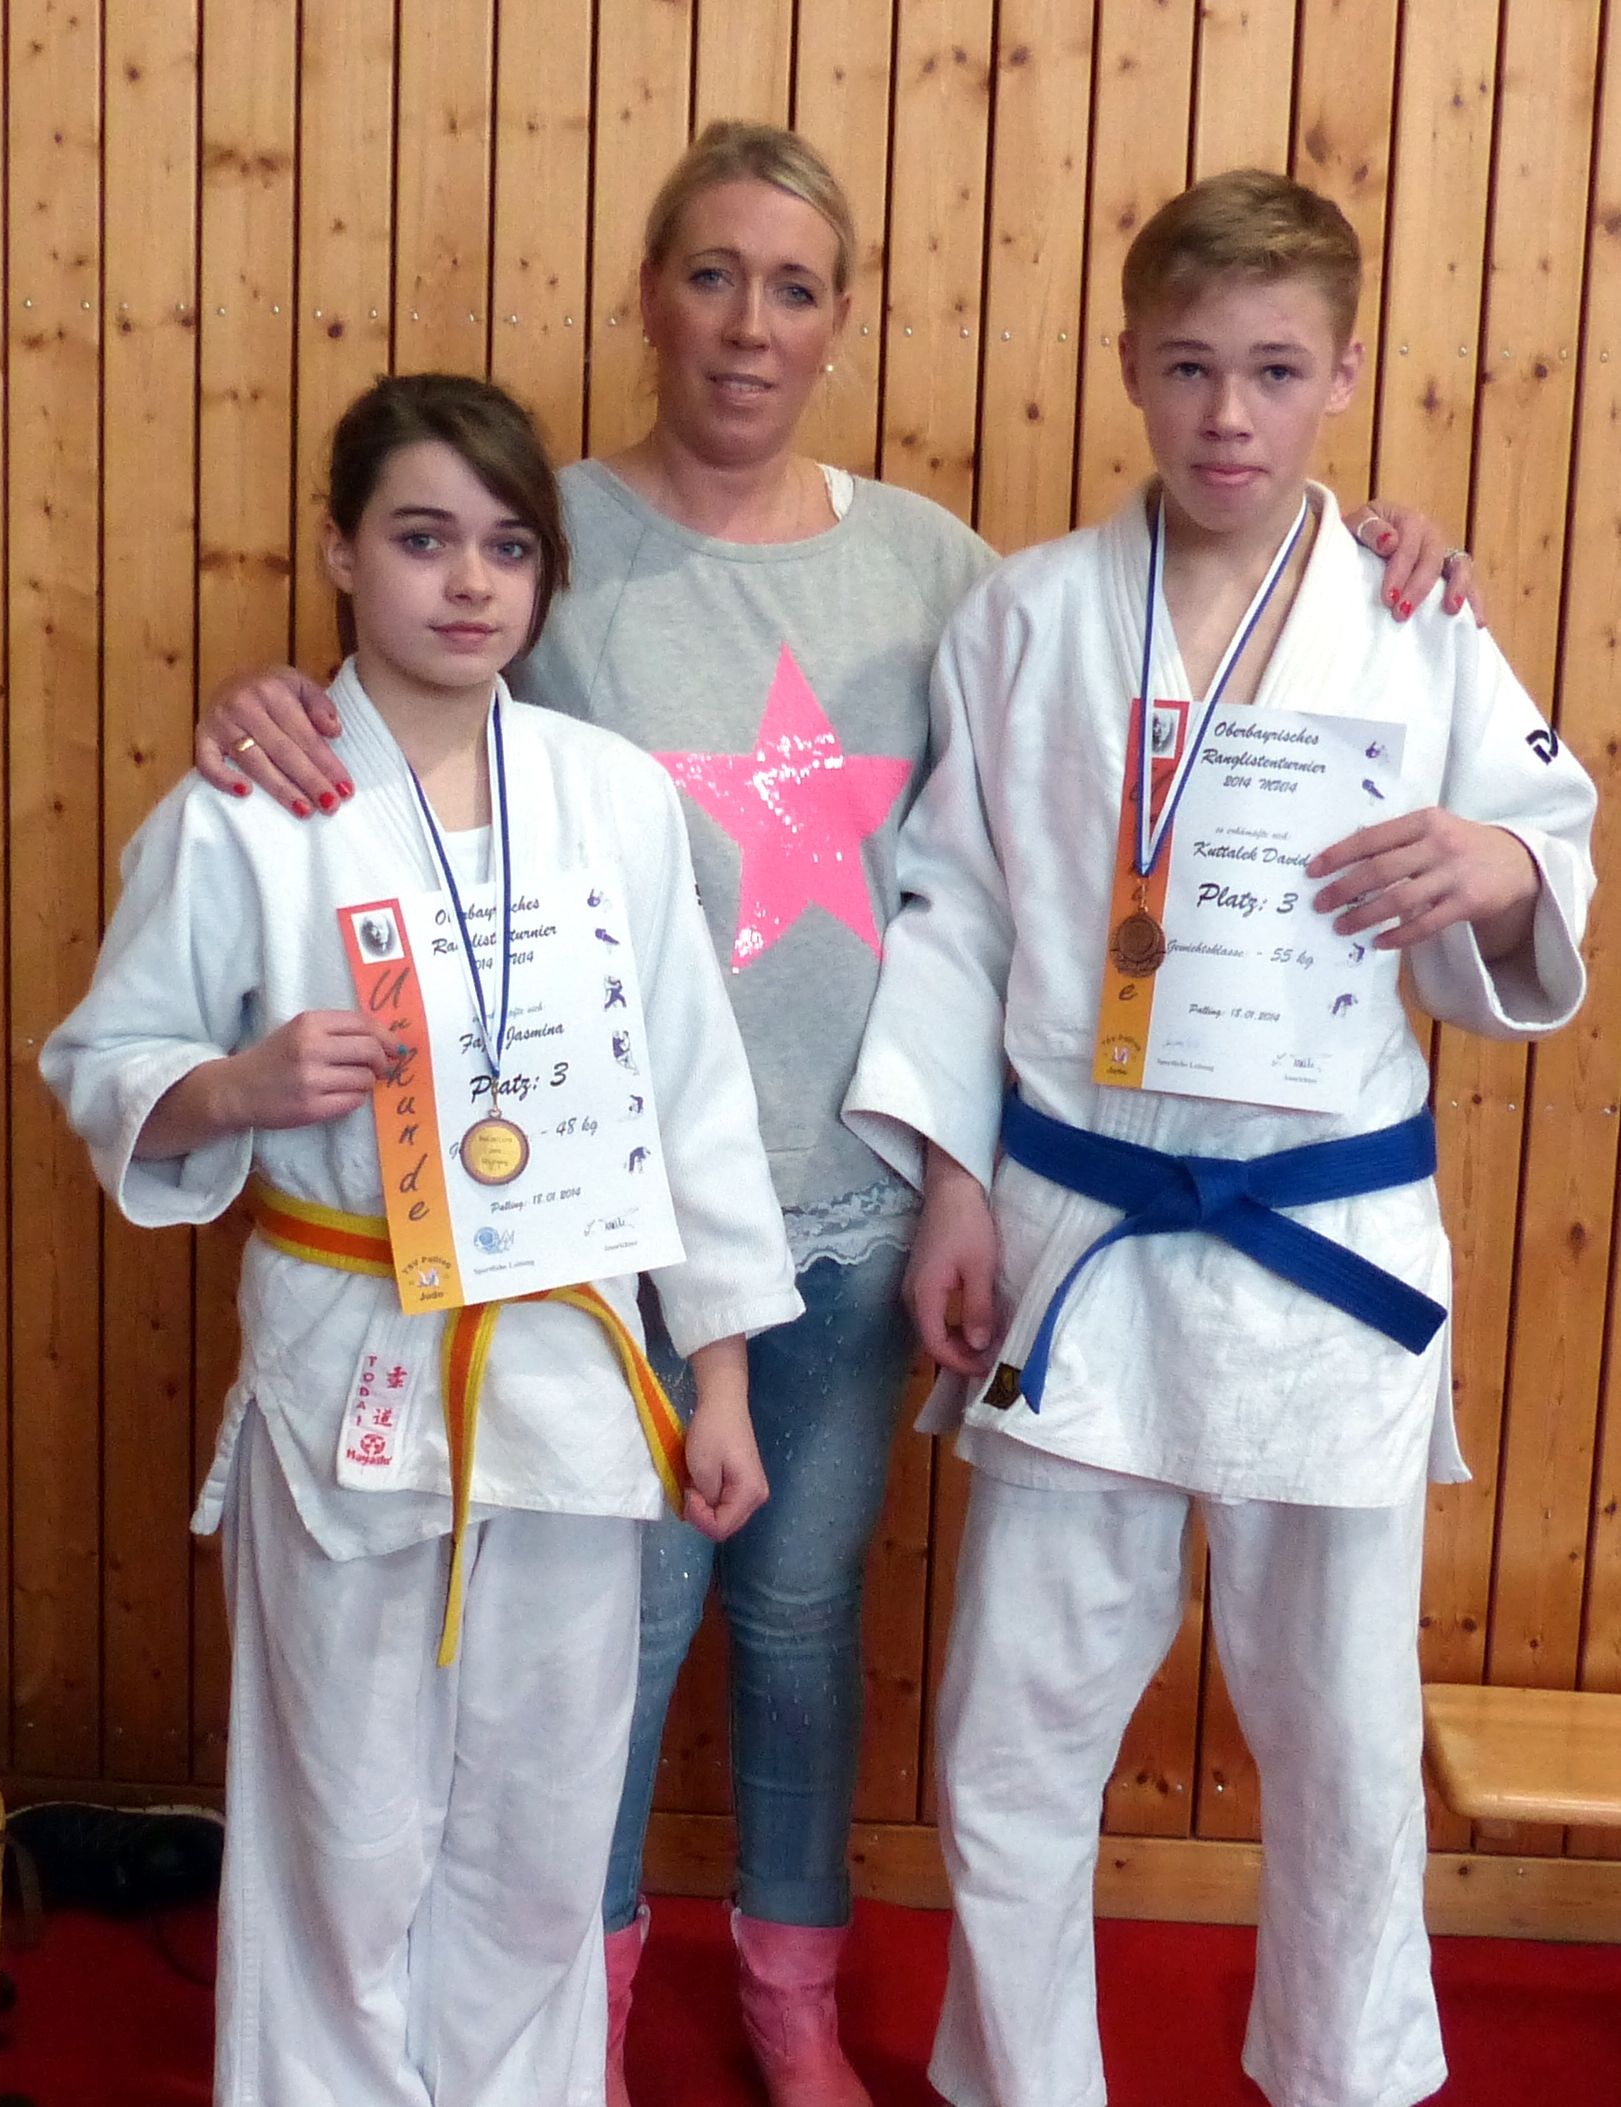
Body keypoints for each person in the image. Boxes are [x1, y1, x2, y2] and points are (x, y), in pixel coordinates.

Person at [190, 127, 1484, 2107]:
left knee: (802, 1618)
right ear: (649, 293)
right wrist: (271, 704)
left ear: (841, 318)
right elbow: (418, 692)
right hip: (595, 1203)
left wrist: (1399, 567)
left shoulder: (943, 570)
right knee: (611, 1632)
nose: (748, 323)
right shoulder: (549, 540)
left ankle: (790, 1992)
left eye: (793, 286)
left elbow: (983, 879)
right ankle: (571, 2009)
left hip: (858, 1192)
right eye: (711, 274)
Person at [841, 169, 1596, 2107]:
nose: (1229, 415)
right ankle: (1026, 2084)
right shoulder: (1024, 619)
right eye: (1189, 367)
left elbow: (1553, 843)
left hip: (1321, 1265)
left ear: (1341, 375)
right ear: (1128, 365)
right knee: (1011, 1733)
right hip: (1075, 1241)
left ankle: (1345, 2077)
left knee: (1340, 1737)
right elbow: (954, 913)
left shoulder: (1414, 622)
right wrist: (948, 1187)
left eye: (1272, 369)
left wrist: (1497, 863)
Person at [41, 372, 801, 2107]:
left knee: (541, 1830)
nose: (468, 583)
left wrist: (722, 1380)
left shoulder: (613, 799)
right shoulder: (250, 809)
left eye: (508, 547)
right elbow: (104, 1059)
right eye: (422, 538)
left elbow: (692, 1098)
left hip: (574, 1374)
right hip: (354, 1370)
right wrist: (234, 1087)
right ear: (340, 552)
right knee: (347, 1829)